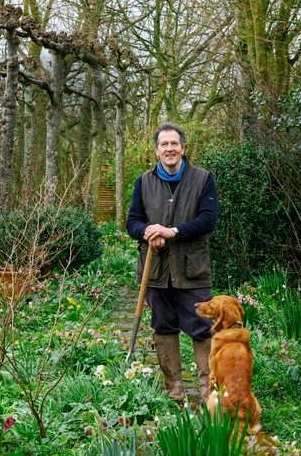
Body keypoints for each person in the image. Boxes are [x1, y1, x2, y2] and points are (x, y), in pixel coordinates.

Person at [126, 122, 218, 405]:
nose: (169, 149)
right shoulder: (143, 181)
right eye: (164, 144)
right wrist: (148, 232)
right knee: (164, 326)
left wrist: (172, 232)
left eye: (174, 144)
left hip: (193, 269)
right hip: (156, 269)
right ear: (156, 150)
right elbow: (132, 222)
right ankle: (174, 389)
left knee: (202, 326)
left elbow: (208, 220)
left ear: (183, 148)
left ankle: (208, 390)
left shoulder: (203, 179)